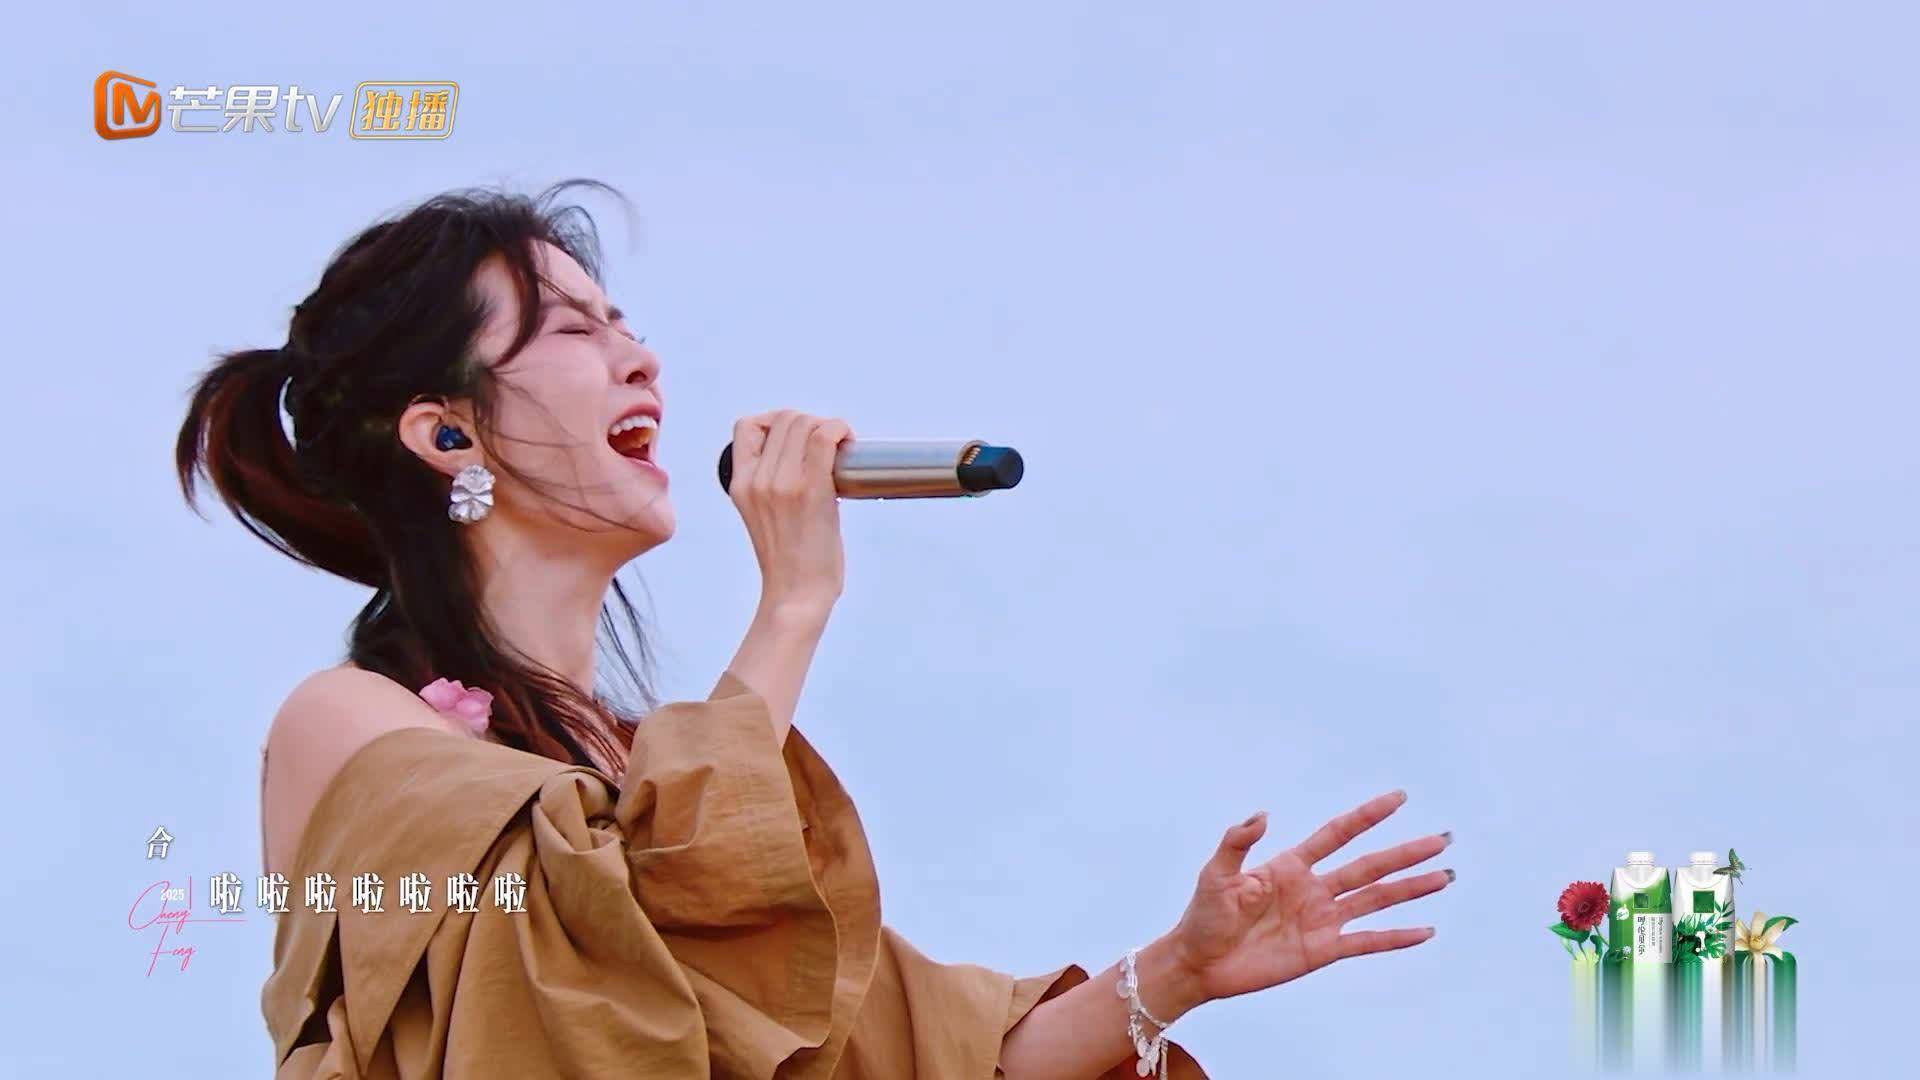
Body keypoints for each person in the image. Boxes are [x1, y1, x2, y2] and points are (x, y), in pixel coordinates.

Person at [175, 180, 1454, 1079]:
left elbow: (925, 1050)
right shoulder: (348, 725)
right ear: (447, 430)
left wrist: (1177, 969)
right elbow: (592, 976)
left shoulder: (660, 770)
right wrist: (793, 601)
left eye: (626, 325)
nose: (641, 360)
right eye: (574, 330)